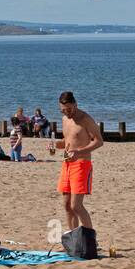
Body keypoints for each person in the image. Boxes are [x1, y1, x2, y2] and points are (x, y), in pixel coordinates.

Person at [49, 91, 103, 232]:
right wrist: (55, 144)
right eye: (63, 110)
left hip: (81, 164)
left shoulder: (86, 119)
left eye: (69, 109)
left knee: (76, 206)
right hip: (67, 164)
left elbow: (99, 141)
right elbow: (68, 141)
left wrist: (79, 151)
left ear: (75, 104)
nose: (67, 113)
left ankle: (90, 239)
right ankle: (74, 236)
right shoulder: (64, 119)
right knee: (67, 205)